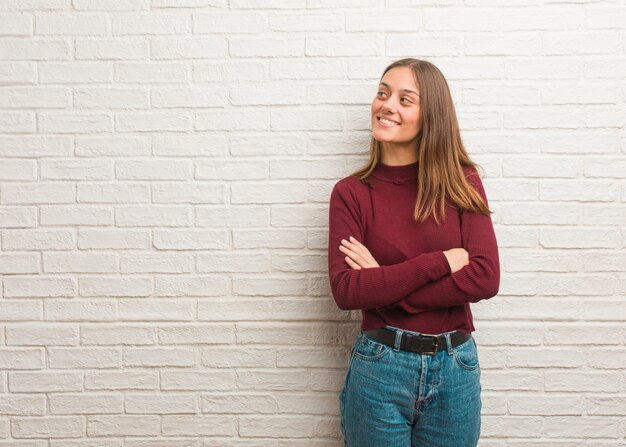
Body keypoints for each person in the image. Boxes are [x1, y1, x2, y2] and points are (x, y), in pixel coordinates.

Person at [327, 58, 500, 447]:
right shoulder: (351, 193)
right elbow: (348, 292)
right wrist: (438, 262)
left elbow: (485, 277)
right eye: (383, 93)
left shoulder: (462, 184)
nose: (387, 105)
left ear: (431, 116)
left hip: (455, 368)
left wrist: (384, 281)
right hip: (380, 367)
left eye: (406, 99)